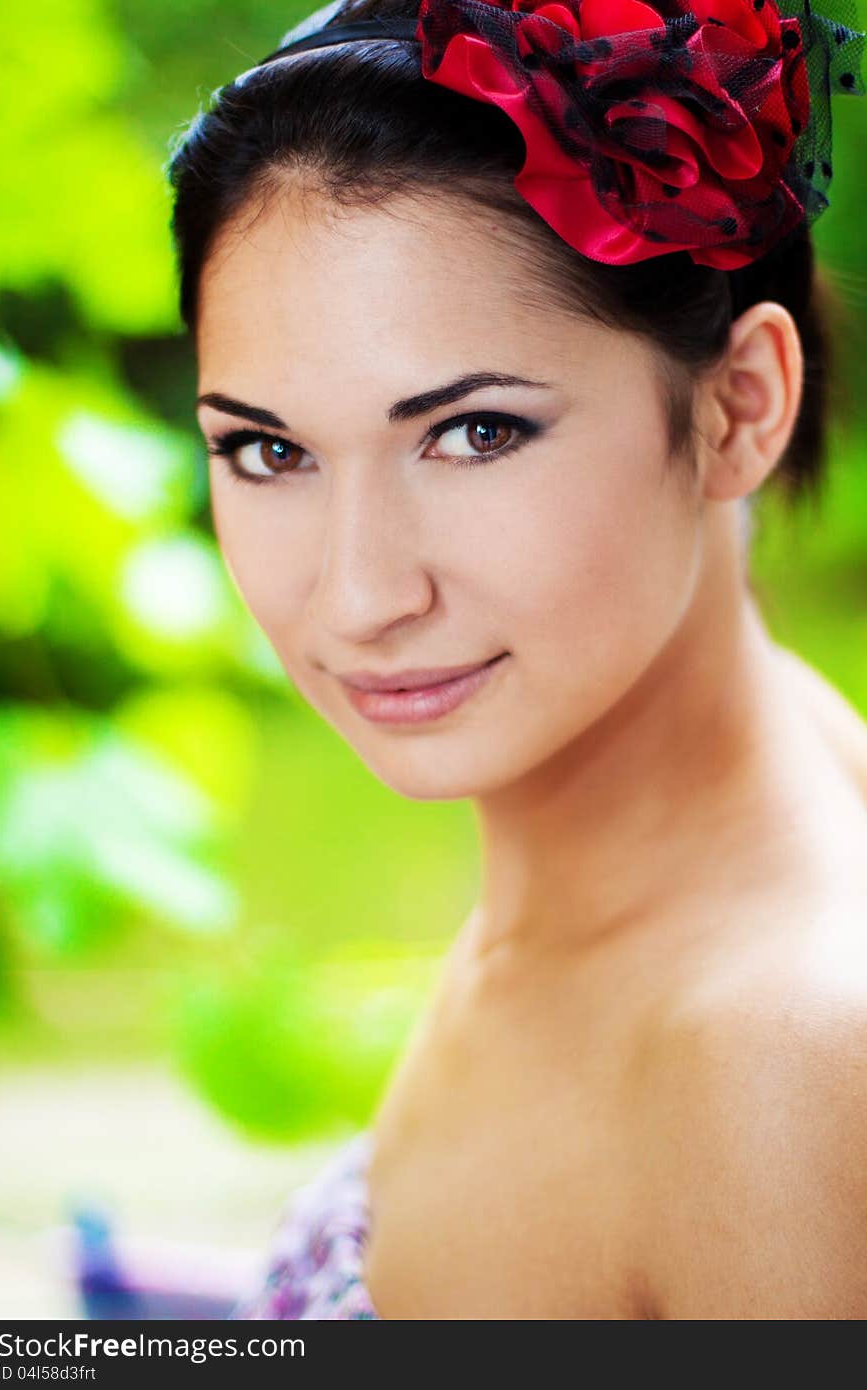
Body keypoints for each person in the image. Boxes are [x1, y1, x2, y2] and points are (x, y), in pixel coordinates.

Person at [166, 0, 867, 1318]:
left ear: (739, 408)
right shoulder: (684, 846)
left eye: (475, 433)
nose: (362, 594)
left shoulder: (784, 1067)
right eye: (268, 449)